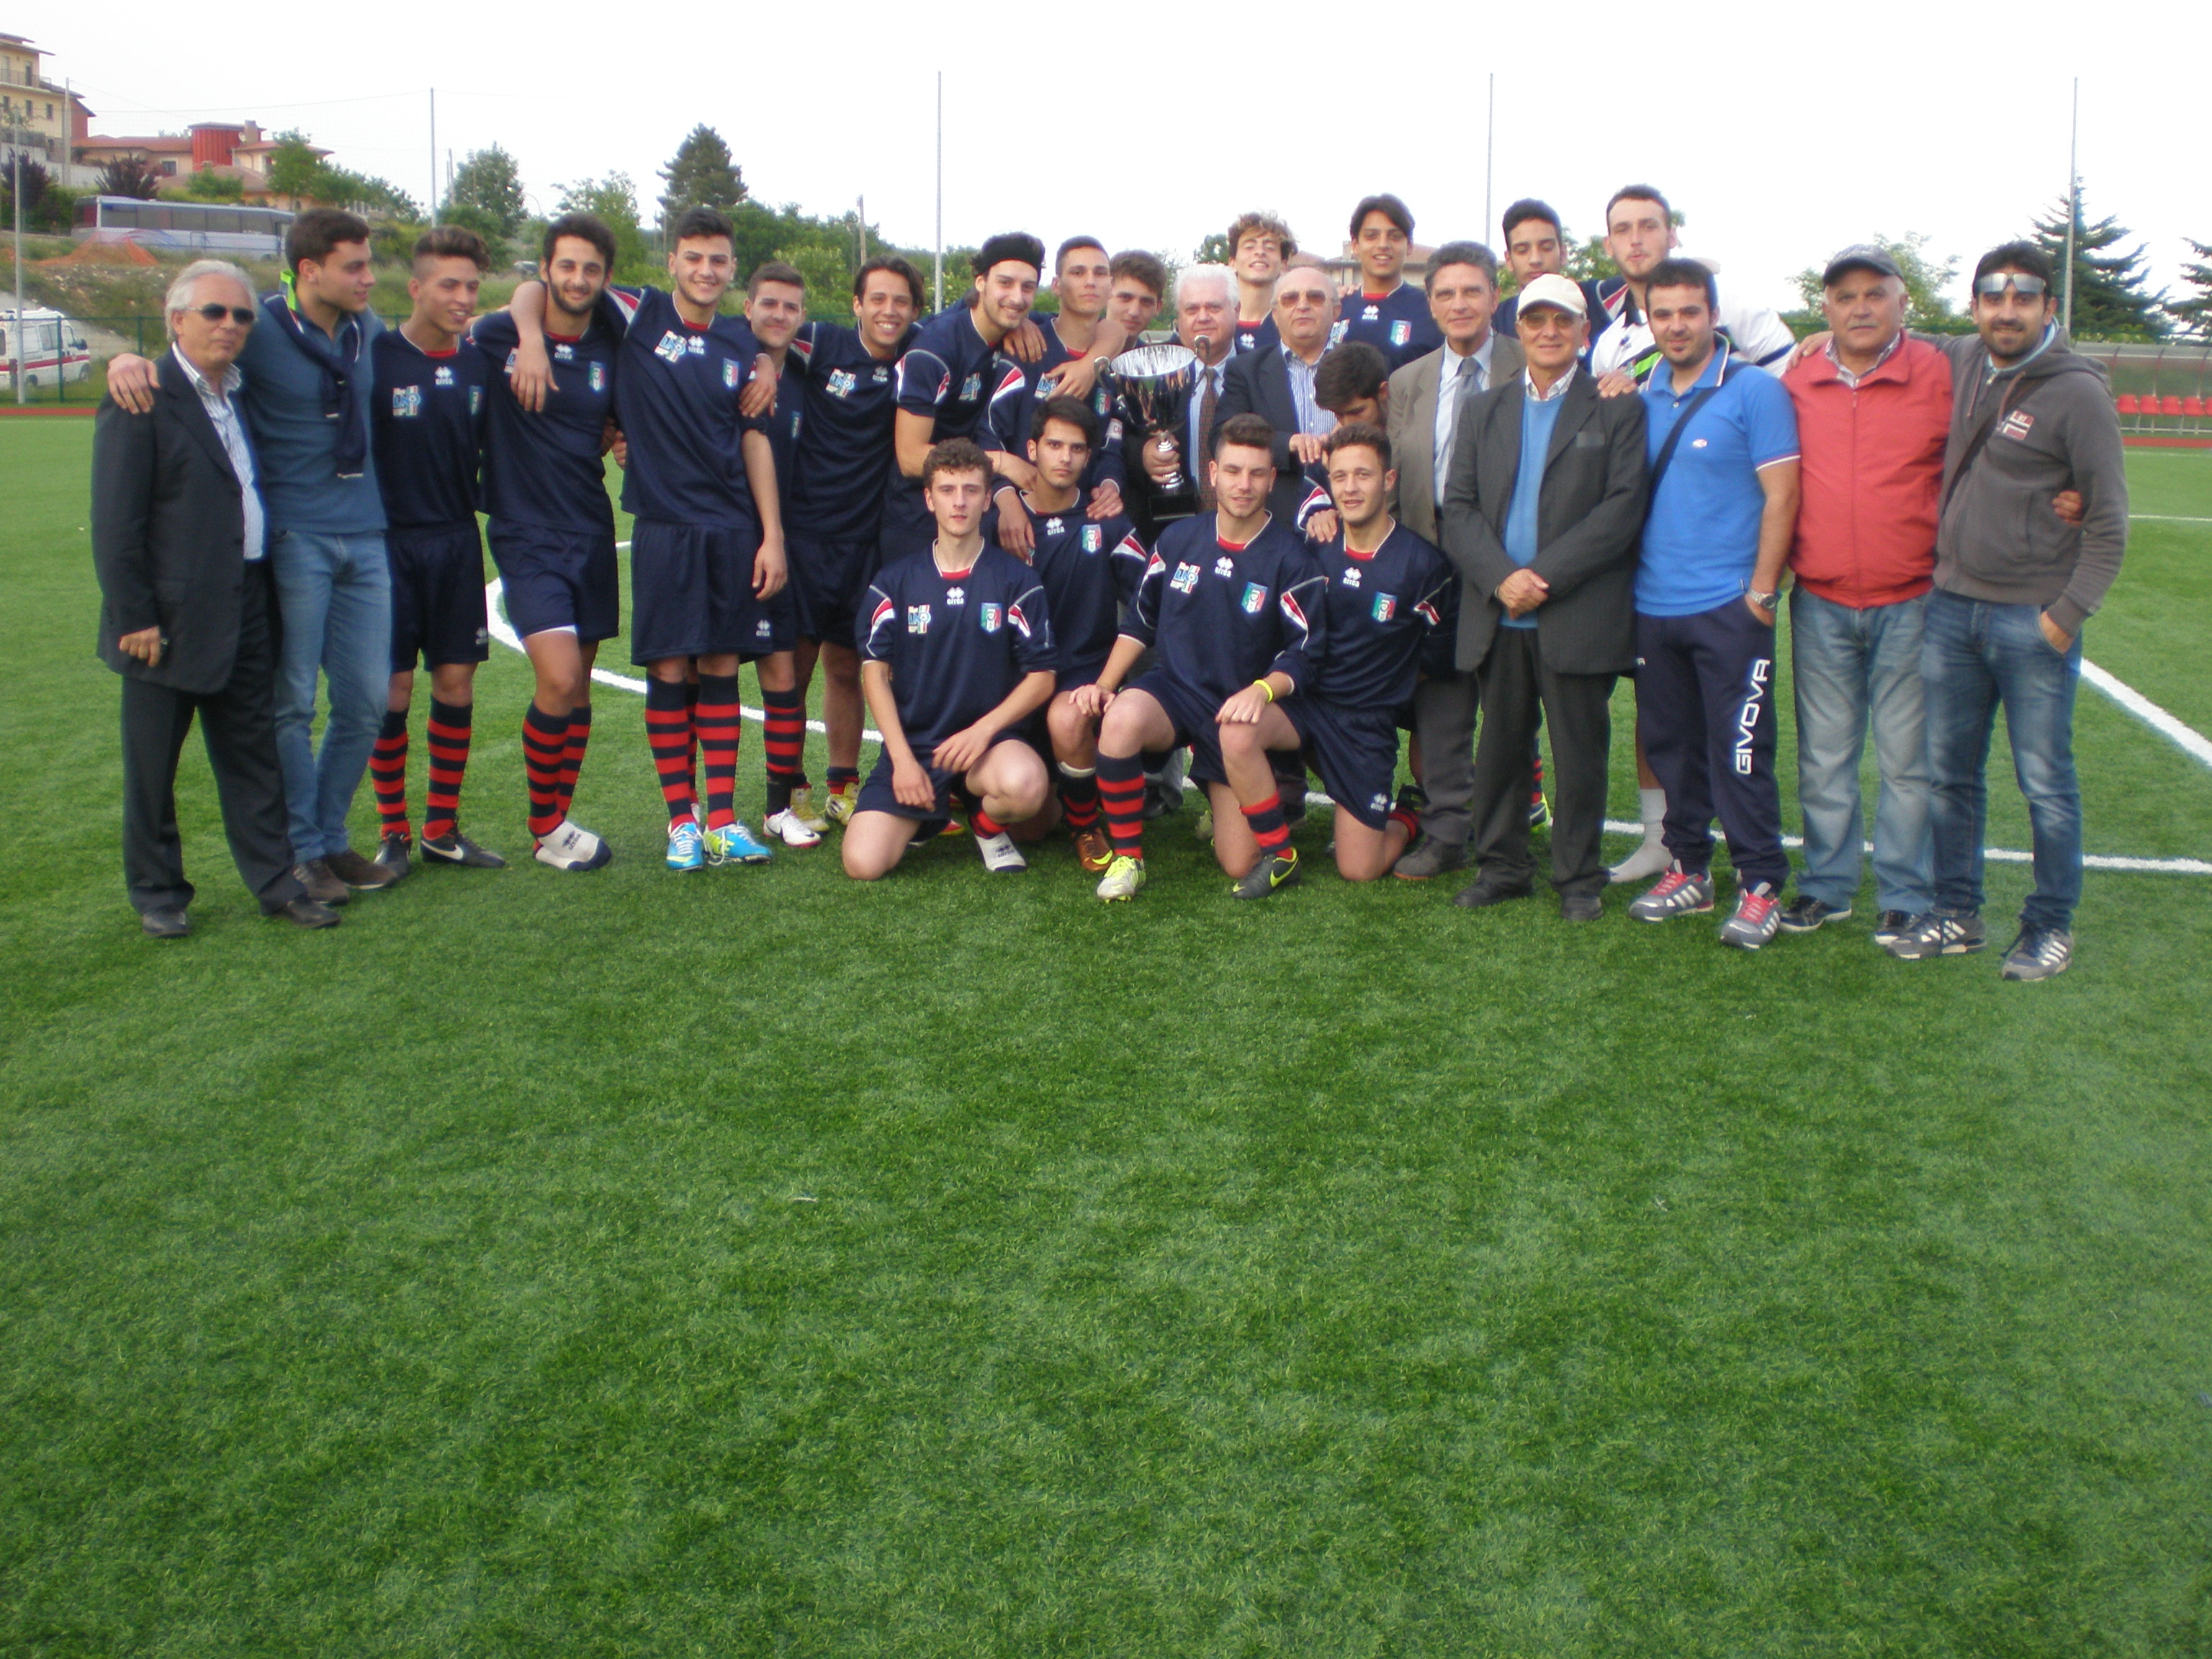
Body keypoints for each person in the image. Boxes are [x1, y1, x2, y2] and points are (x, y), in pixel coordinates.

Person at [107, 210, 403, 903]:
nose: (368, 278)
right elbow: (191, 352)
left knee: (367, 702)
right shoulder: (259, 328)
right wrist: (127, 359)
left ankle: (330, 836)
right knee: (291, 702)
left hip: (366, 535)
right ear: (310, 271)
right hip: (294, 538)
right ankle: (303, 851)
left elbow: (442, 337)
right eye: (355, 266)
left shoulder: (368, 330)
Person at [505, 206, 793, 872]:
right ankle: (681, 822)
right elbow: (535, 290)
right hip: (663, 528)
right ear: (672, 262)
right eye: (693, 258)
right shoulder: (639, 312)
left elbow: (754, 439)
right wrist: (530, 336)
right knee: (668, 669)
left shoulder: (739, 339)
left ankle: (721, 820)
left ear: (732, 267)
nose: (705, 270)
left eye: (718, 260)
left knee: (720, 668)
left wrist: (771, 534)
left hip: (731, 528)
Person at [1886, 242, 2127, 981]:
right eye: (1994, 298)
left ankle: (2050, 925)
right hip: (1952, 610)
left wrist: (2065, 616)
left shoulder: (2078, 393)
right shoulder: (1962, 357)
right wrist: (1812, 341)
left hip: (2032, 620)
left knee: (2045, 784)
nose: (2008, 311)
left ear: (2048, 307)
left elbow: (2109, 521)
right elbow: (1904, 335)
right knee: (1950, 776)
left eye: (2024, 298)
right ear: (1976, 307)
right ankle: (1957, 913)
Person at [92, 259, 339, 935]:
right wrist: (135, 615)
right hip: (164, 619)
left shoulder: (241, 392)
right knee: (153, 767)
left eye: (241, 315)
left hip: (246, 603)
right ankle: (158, 894)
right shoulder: (142, 396)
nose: (230, 325)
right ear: (176, 320)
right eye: (214, 312)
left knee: (252, 756)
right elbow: (115, 522)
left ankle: (276, 884)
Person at [1437, 275, 1647, 919]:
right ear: (1519, 329)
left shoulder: (1617, 406)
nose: (1549, 331)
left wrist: (1542, 578)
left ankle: (1578, 878)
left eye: (1563, 320)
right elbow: (1459, 509)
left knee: (1580, 756)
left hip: (1574, 614)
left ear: (1584, 332)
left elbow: (1622, 509)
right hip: (1499, 614)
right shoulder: (1485, 409)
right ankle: (1502, 868)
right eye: (1536, 320)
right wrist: (1503, 579)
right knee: (1500, 750)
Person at [1075, 413, 1328, 902]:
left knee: (1238, 861)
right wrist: (1105, 685)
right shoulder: (1178, 540)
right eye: (1233, 471)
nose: (1243, 485)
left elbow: (1305, 655)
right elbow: (1141, 622)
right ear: (1212, 473)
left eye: (1256, 473)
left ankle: (1243, 802)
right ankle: (1128, 859)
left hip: (1239, 709)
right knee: (1121, 719)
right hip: (1178, 692)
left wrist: (1261, 691)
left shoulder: (1292, 559)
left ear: (1271, 479)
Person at [1623, 258, 1800, 950]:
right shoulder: (1641, 394)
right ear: (1649, 321)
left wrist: (1762, 590)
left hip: (1730, 608)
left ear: (1714, 316)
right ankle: (1690, 868)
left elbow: (1783, 495)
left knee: (1741, 751)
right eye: (1663, 314)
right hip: (1654, 607)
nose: (1676, 326)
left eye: (1689, 312)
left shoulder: (1755, 390)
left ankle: (1761, 883)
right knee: (1672, 748)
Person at [1776, 244, 1948, 942]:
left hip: (1913, 600)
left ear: (1903, 301)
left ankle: (1905, 890)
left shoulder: (1940, 371)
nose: (1860, 308)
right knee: (1824, 757)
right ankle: (1827, 884)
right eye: (1844, 297)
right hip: (1821, 601)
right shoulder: (1798, 377)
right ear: (1825, 308)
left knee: (1908, 762)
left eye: (1875, 294)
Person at [1217, 421, 1454, 894]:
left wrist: (1388, 687)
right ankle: (1280, 853)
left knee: (1359, 869)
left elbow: (1439, 656)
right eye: (1340, 477)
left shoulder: (1423, 566)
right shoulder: (1312, 548)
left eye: (1363, 475)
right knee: (1237, 731)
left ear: (1388, 480)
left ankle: (1408, 813)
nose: (1350, 488)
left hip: (1364, 724)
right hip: (1307, 708)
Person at [469, 213, 622, 872]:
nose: (578, 279)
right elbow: (514, 305)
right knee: (557, 678)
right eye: (566, 266)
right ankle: (544, 825)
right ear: (545, 270)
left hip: (589, 525)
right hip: (524, 531)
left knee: (579, 688)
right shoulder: (499, 335)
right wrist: (530, 338)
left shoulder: (613, 337)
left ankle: (559, 820)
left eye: (591, 268)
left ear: (605, 277)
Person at [843, 439, 1057, 880]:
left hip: (989, 746)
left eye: (971, 490)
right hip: (918, 747)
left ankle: (986, 826)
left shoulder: (1017, 580)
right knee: (863, 864)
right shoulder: (894, 581)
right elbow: (874, 675)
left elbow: (1042, 677)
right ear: (929, 499)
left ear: (987, 499)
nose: (959, 502)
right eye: (947, 490)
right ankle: (929, 814)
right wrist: (903, 761)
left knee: (1027, 786)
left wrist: (983, 731)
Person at [1384, 241, 1529, 879]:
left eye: (1472, 291)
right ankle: (1447, 832)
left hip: (1510, 559)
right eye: (1445, 293)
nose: (1459, 304)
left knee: (1510, 704)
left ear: (1495, 297)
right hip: (1433, 560)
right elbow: (1400, 474)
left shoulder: (1530, 363)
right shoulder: (1409, 380)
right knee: (1442, 703)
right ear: (1431, 304)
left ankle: (1509, 837)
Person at [365, 225, 503, 874]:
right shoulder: (373, 356)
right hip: (386, 545)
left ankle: (441, 829)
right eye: (449, 285)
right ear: (416, 288)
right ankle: (392, 830)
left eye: (472, 286)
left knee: (455, 682)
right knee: (392, 689)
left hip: (455, 540)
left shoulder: (479, 362)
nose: (463, 298)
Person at [783, 256, 925, 824]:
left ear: (915, 310)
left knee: (849, 666)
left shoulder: (920, 355)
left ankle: (842, 786)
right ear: (857, 304)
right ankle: (789, 789)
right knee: (793, 670)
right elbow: (756, 332)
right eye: (878, 299)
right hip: (806, 537)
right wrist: (765, 362)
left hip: (868, 542)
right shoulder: (822, 343)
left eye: (901, 301)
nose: (890, 311)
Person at [984, 396, 1148, 873]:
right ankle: (1061, 793)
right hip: (1015, 685)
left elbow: (1149, 601)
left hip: (1081, 674)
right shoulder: (1000, 523)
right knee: (1032, 825)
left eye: (1077, 449)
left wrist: (1113, 678)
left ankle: (1085, 824)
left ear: (1089, 456)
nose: (1065, 458)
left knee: (1067, 716)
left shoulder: (1105, 518)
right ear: (1032, 449)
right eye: (1055, 445)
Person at [885, 233, 1043, 561]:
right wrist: (1000, 461)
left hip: (972, 511)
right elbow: (910, 457)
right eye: (1005, 283)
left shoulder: (1013, 328)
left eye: (1028, 287)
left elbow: (1105, 328)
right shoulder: (936, 349)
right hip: (919, 516)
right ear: (981, 282)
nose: (1017, 297)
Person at [739, 258, 824, 845]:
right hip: (719, 536)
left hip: (780, 541)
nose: (779, 314)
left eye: (791, 307)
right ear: (747, 307)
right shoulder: (722, 354)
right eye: (768, 303)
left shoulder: (807, 367)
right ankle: (690, 810)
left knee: (783, 671)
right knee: (695, 672)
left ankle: (780, 802)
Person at [986, 235, 1129, 557]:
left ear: (1111, 286)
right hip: (1019, 523)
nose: (1090, 281)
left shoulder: (1115, 363)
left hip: (1083, 522)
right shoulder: (1027, 348)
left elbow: (1112, 441)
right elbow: (989, 433)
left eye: (1100, 273)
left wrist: (1110, 484)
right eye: (1078, 272)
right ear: (1056, 285)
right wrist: (1004, 498)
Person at [1588, 184, 1797, 385]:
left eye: (1648, 227)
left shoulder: (1732, 305)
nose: (1635, 239)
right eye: (1622, 230)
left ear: (1672, 236)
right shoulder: (1608, 346)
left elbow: (1794, 380)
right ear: (1609, 246)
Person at [1218, 254, 1342, 527]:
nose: (1302, 305)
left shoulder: (1360, 365)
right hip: (1272, 517)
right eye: (1290, 299)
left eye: (1315, 297)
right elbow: (1222, 435)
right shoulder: (1246, 370)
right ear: (1275, 315)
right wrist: (1288, 444)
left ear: (1336, 311)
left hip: (1345, 514)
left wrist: (1347, 436)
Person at [1128, 262, 1238, 531]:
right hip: (1171, 528)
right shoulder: (1150, 370)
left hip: (1247, 526)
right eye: (1192, 309)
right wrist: (1143, 454)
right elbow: (1123, 437)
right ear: (1178, 317)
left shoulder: (1262, 371)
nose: (1203, 317)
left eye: (1214, 307)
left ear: (1237, 311)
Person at [1336, 194, 1443, 371]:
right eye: (1372, 236)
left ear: (1409, 245)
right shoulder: (1336, 308)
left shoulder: (1431, 309)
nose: (1383, 245)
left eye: (1395, 236)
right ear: (1355, 245)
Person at [1492, 199, 1605, 340]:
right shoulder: (1495, 322)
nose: (1535, 259)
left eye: (1546, 248)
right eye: (1522, 250)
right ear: (1509, 260)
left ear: (1563, 253)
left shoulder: (1598, 299)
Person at [1226, 211, 1294, 354]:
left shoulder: (1292, 326)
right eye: (1249, 246)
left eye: (1270, 247)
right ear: (1233, 263)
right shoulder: (1217, 324)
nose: (1260, 252)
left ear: (1283, 265)